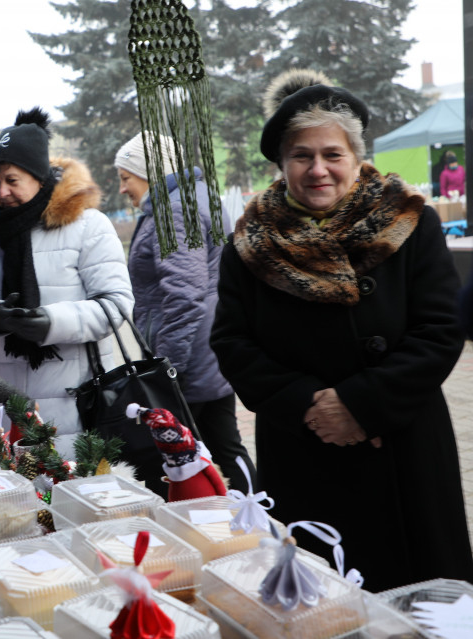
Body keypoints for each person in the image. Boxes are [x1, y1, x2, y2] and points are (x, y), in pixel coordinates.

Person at [209, 70, 473, 592]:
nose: (318, 169)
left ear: (356, 157)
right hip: (306, 445)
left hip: (403, 440)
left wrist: (361, 403)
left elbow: (440, 329)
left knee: (423, 600)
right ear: (282, 164)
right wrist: (313, 404)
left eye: (333, 154)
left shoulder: (411, 223)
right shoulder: (248, 244)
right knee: (323, 597)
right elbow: (232, 343)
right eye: (301, 155)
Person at [0, 107, 134, 458]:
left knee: (72, 500)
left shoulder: (88, 225)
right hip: (7, 408)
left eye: (12, 180)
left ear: (38, 176)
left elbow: (116, 304)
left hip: (75, 406)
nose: (1, 192)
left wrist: (52, 322)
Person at [114, 132, 257, 494]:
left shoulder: (174, 210)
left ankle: (242, 521)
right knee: (225, 445)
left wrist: (167, 367)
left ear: (148, 172)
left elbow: (184, 295)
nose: (122, 189)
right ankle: (259, 517)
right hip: (209, 348)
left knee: (190, 454)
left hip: (189, 357)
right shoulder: (193, 199)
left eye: (125, 178)